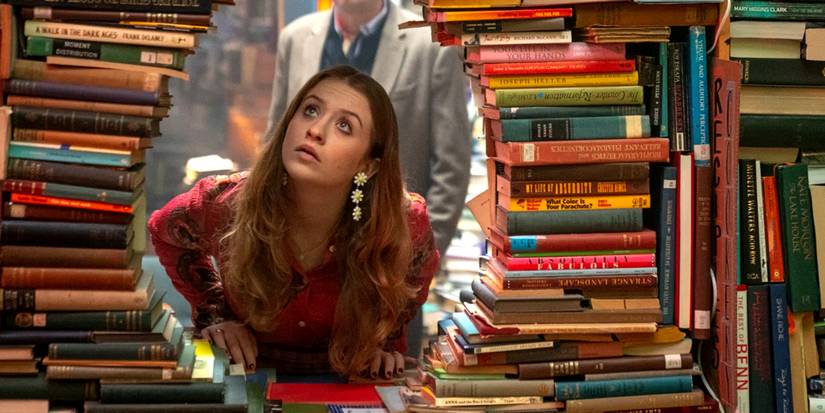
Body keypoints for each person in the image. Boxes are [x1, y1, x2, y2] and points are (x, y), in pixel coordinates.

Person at [148, 66, 440, 378]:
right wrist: (215, 313)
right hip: (246, 375)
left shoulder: (404, 222)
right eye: (311, 110)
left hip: (350, 379)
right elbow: (163, 231)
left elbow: (413, 282)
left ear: (367, 165)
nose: (315, 130)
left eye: (344, 125)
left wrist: (385, 342)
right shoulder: (227, 201)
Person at [265, 0, 471, 258]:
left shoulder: (432, 45)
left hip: (387, 252)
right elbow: (275, 137)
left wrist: (420, 259)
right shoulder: (295, 38)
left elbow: (452, 166)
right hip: (292, 249)